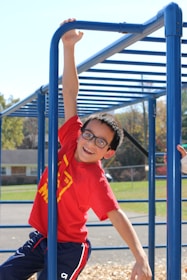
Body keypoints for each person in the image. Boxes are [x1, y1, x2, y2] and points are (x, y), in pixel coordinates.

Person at [0, 18, 152, 280]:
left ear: (108, 153)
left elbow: (116, 215)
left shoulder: (95, 179)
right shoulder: (72, 141)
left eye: (100, 142)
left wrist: (140, 256)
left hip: (70, 249)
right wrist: (69, 47)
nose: (91, 142)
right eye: (89, 134)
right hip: (42, 239)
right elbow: (70, 94)